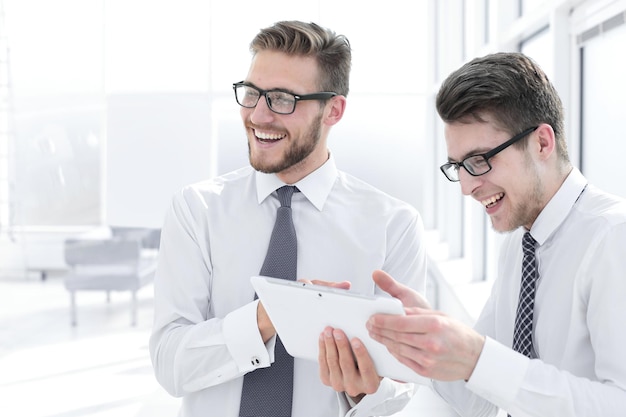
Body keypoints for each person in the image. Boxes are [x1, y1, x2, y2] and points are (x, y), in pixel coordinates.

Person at [149, 20, 428, 417]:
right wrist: (269, 317)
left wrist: (366, 391)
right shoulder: (197, 210)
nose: (259, 116)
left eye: (282, 99)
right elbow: (169, 364)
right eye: (252, 94)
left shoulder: (393, 226)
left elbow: (401, 386)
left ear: (334, 109)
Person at [365, 52, 626, 416]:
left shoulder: (614, 238)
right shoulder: (521, 246)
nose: (467, 187)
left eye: (479, 160)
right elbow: (480, 396)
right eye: (458, 166)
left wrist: (477, 359)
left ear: (542, 143)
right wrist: (431, 336)